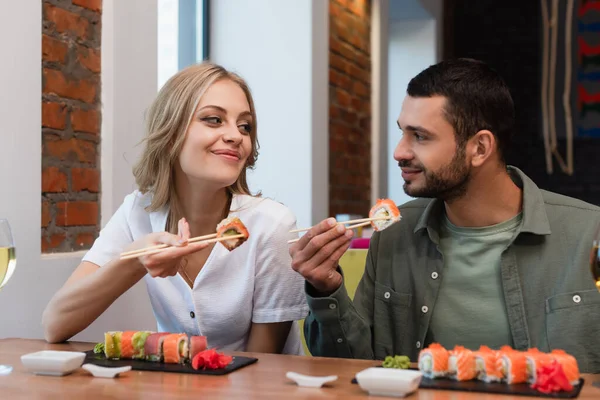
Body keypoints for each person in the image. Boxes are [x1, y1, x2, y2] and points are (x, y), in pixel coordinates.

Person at [290, 58, 600, 372]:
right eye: (402, 133)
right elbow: (353, 367)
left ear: (480, 148)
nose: (399, 151)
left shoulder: (589, 234)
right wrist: (325, 287)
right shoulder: (394, 234)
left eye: (420, 136)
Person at [42, 62, 308, 355]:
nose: (236, 136)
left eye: (245, 125)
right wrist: (135, 260)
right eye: (214, 120)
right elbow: (55, 324)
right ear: (171, 132)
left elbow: (261, 366)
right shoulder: (137, 211)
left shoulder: (272, 225)